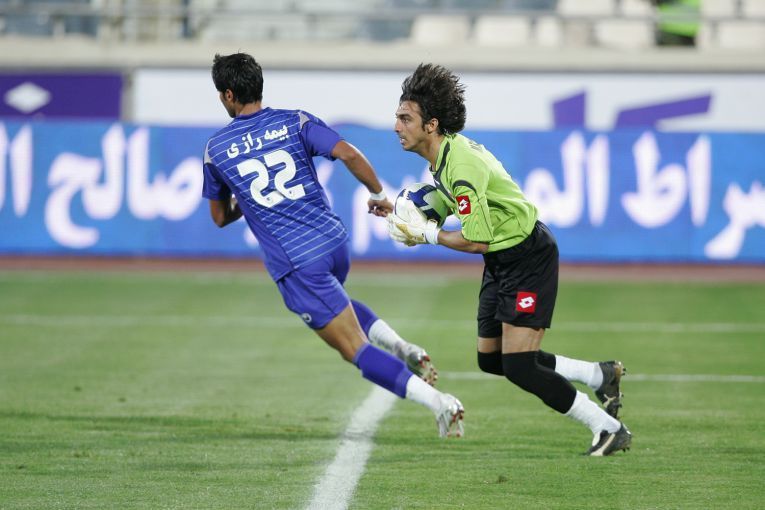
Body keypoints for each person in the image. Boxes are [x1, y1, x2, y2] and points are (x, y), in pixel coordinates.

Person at [201, 53, 464, 437]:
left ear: (228, 95)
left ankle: (440, 403)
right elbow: (348, 153)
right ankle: (403, 347)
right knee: (338, 302)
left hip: (296, 261)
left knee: (354, 349)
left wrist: (245, 198)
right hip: (333, 242)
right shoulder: (295, 121)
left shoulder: (217, 149)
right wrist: (378, 193)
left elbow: (220, 217)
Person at [388, 63, 631, 455]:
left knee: (519, 365)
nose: (396, 126)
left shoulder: (460, 166)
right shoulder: (444, 156)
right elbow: (461, 208)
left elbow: (477, 240)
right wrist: (402, 213)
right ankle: (599, 375)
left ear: (431, 125)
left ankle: (607, 427)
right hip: (502, 260)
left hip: (526, 256)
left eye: (405, 118)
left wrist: (427, 234)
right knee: (491, 360)